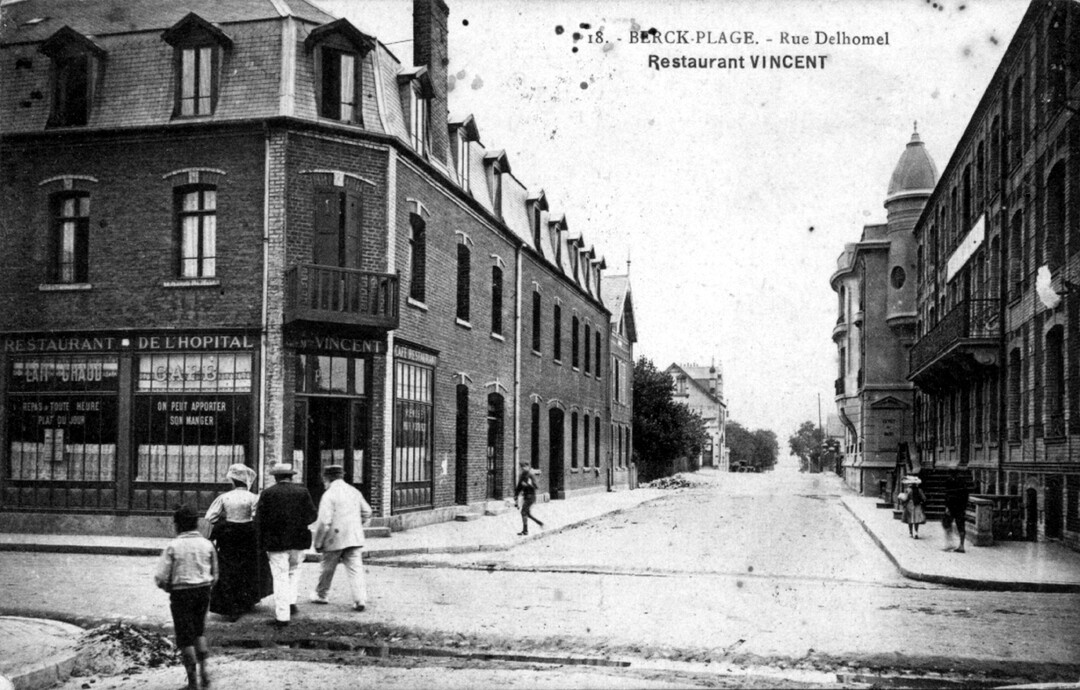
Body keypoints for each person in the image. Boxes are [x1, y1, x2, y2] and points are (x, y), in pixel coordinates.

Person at [154, 505, 217, 690]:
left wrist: (168, 588)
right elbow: (215, 573)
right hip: (203, 591)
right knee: (199, 631)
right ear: (196, 523)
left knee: (185, 638)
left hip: (181, 593)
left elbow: (161, 577)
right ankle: (205, 674)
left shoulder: (173, 546)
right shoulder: (207, 544)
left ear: (177, 525)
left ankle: (192, 683)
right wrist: (205, 584)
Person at [204, 463, 270, 620]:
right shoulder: (253, 497)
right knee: (247, 567)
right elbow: (257, 516)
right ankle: (246, 600)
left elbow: (210, 517)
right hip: (247, 534)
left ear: (233, 481)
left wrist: (224, 521)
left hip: (229, 535)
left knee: (228, 567)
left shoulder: (225, 497)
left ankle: (230, 604)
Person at [255, 463, 317, 627]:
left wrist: (262, 542)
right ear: (291, 476)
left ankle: (282, 616)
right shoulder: (302, 491)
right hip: (299, 540)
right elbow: (312, 515)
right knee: (294, 571)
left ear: (276, 477)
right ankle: (291, 602)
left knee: (280, 576)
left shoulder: (268, 493)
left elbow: (259, 520)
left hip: (276, 542)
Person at [311, 464, 372, 612]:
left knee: (327, 568)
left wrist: (318, 542)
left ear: (326, 478)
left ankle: (322, 594)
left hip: (334, 538)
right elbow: (367, 511)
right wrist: (357, 525)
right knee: (355, 569)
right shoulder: (354, 491)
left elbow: (324, 522)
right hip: (354, 537)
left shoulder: (329, 495)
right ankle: (359, 599)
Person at [514, 461, 544, 536]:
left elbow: (536, 486)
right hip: (526, 496)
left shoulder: (531, 475)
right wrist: (516, 495)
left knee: (523, 512)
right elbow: (519, 486)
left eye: (524, 467)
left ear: (528, 467)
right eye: (522, 467)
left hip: (531, 496)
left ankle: (525, 531)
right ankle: (540, 523)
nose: (523, 468)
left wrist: (527, 485)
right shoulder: (522, 475)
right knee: (527, 513)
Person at [943, 473, 970, 553]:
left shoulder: (950, 488)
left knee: (947, 525)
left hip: (952, 508)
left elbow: (947, 497)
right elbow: (966, 499)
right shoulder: (964, 490)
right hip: (960, 509)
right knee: (961, 527)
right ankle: (961, 545)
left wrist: (947, 507)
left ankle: (949, 544)